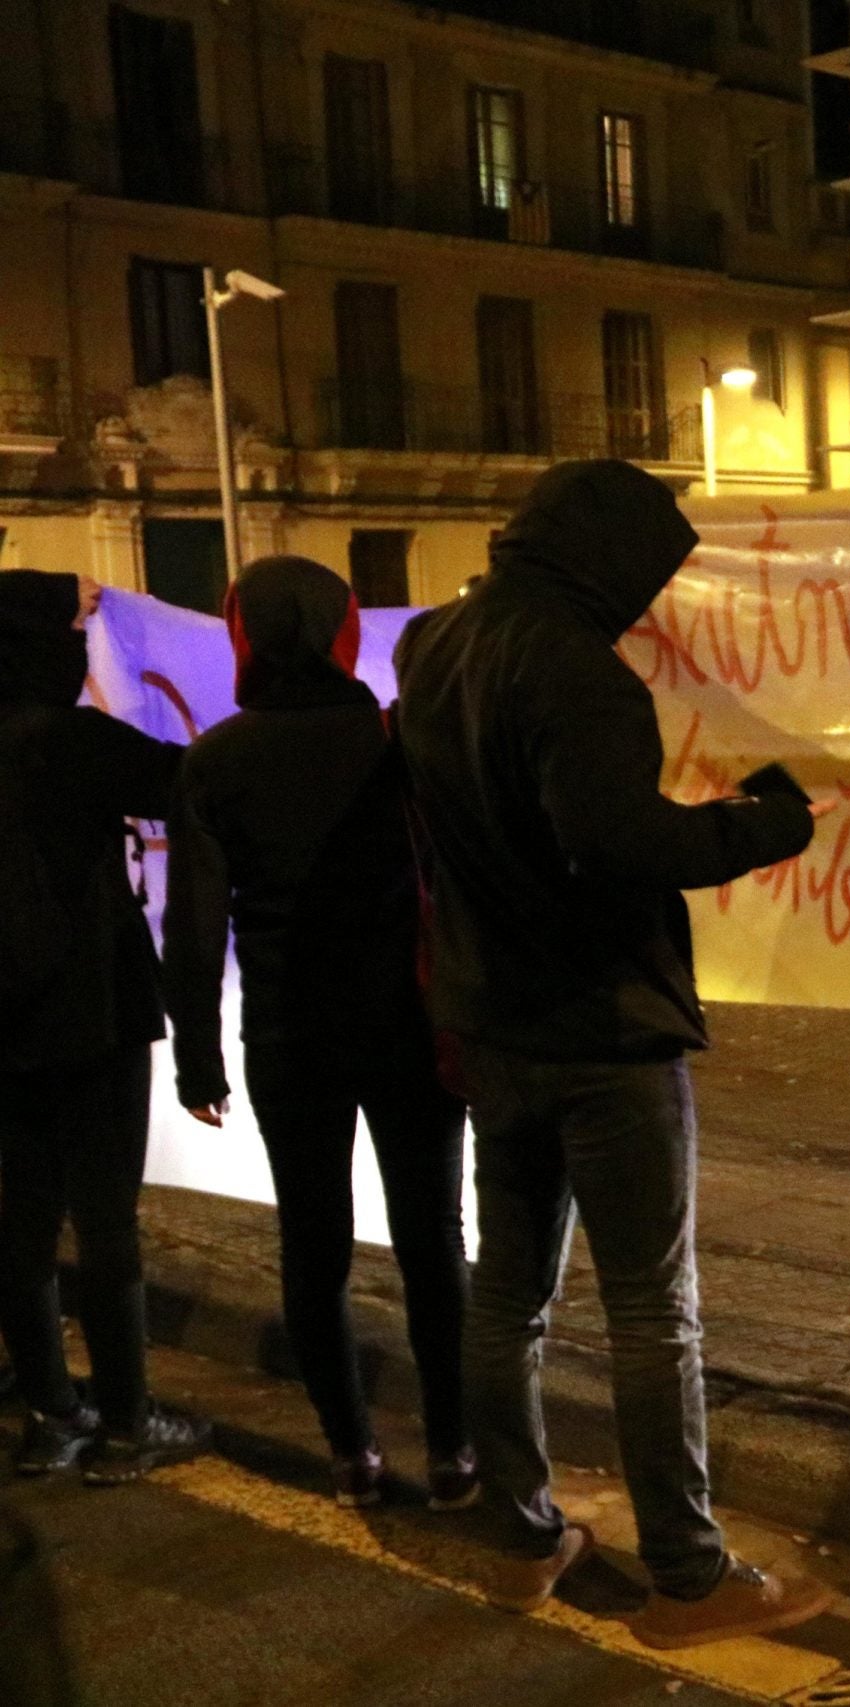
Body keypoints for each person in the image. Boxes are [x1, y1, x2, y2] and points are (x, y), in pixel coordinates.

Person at [394, 460, 832, 1647]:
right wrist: (765, 825)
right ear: (603, 561)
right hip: (602, 1032)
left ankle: (519, 1538)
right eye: (643, 577)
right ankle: (688, 1576)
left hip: (492, 1023)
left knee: (509, 1291)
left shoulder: (433, 646)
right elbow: (618, 841)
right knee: (651, 1311)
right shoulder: (581, 676)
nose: (648, 603)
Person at [160, 555, 473, 1510]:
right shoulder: (394, 738)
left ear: (243, 633)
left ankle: (352, 1453)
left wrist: (199, 1059)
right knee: (432, 1238)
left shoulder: (214, 758)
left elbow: (196, 920)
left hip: (289, 1033)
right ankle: (456, 1450)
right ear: (342, 631)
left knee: (314, 1242)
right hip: (407, 1024)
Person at [0, 570, 210, 1484]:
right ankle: (129, 1420)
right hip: (93, 1010)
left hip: (6, 1025)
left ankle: (52, 1412)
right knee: (105, 1215)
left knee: (23, 1216)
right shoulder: (71, 741)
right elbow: (188, 783)